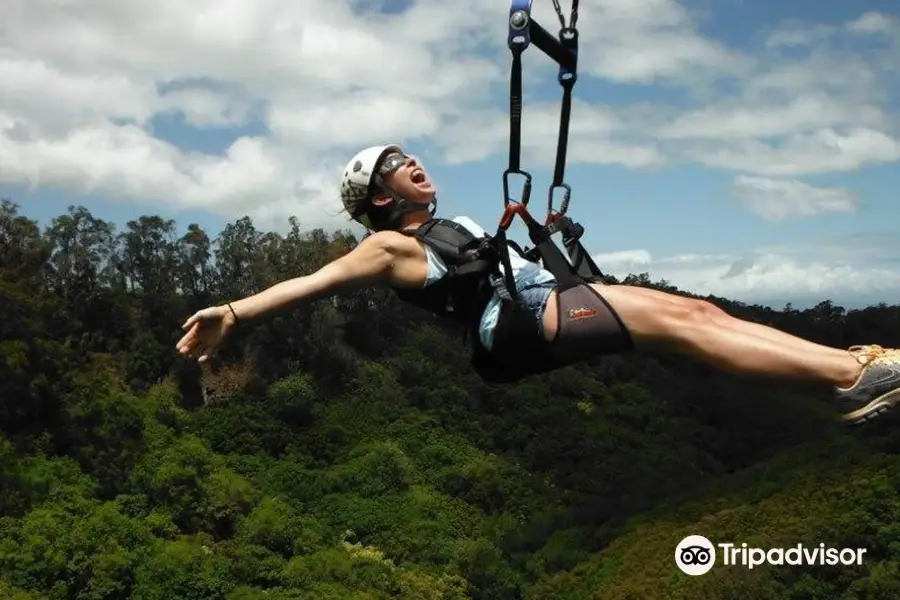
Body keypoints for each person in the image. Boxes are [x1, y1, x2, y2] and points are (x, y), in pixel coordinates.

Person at [176, 144, 900, 425]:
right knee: (686, 324)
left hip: (529, 308)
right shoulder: (387, 248)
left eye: (409, 153)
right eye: (395, 164)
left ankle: (853, 367)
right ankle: (848, 376)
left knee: (697, 310)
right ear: (378, 200)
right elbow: (316, 280)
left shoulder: (445, 223)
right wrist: (234, 312)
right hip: (517, 326)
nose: (413, 161)